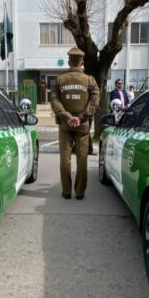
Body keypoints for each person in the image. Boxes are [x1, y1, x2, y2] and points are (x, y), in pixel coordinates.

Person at [51, 47, 100, 200]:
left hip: (65, 125)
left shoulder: (60, 80)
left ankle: (66, 191)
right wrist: (80, 117)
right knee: (82, 159)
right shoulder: (89, 80)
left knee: (65, 159)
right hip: (83, 125)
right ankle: (79, 192)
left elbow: (54, 100)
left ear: (69, 62)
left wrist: (67, 116)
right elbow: (95, 101)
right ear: (82, 62)